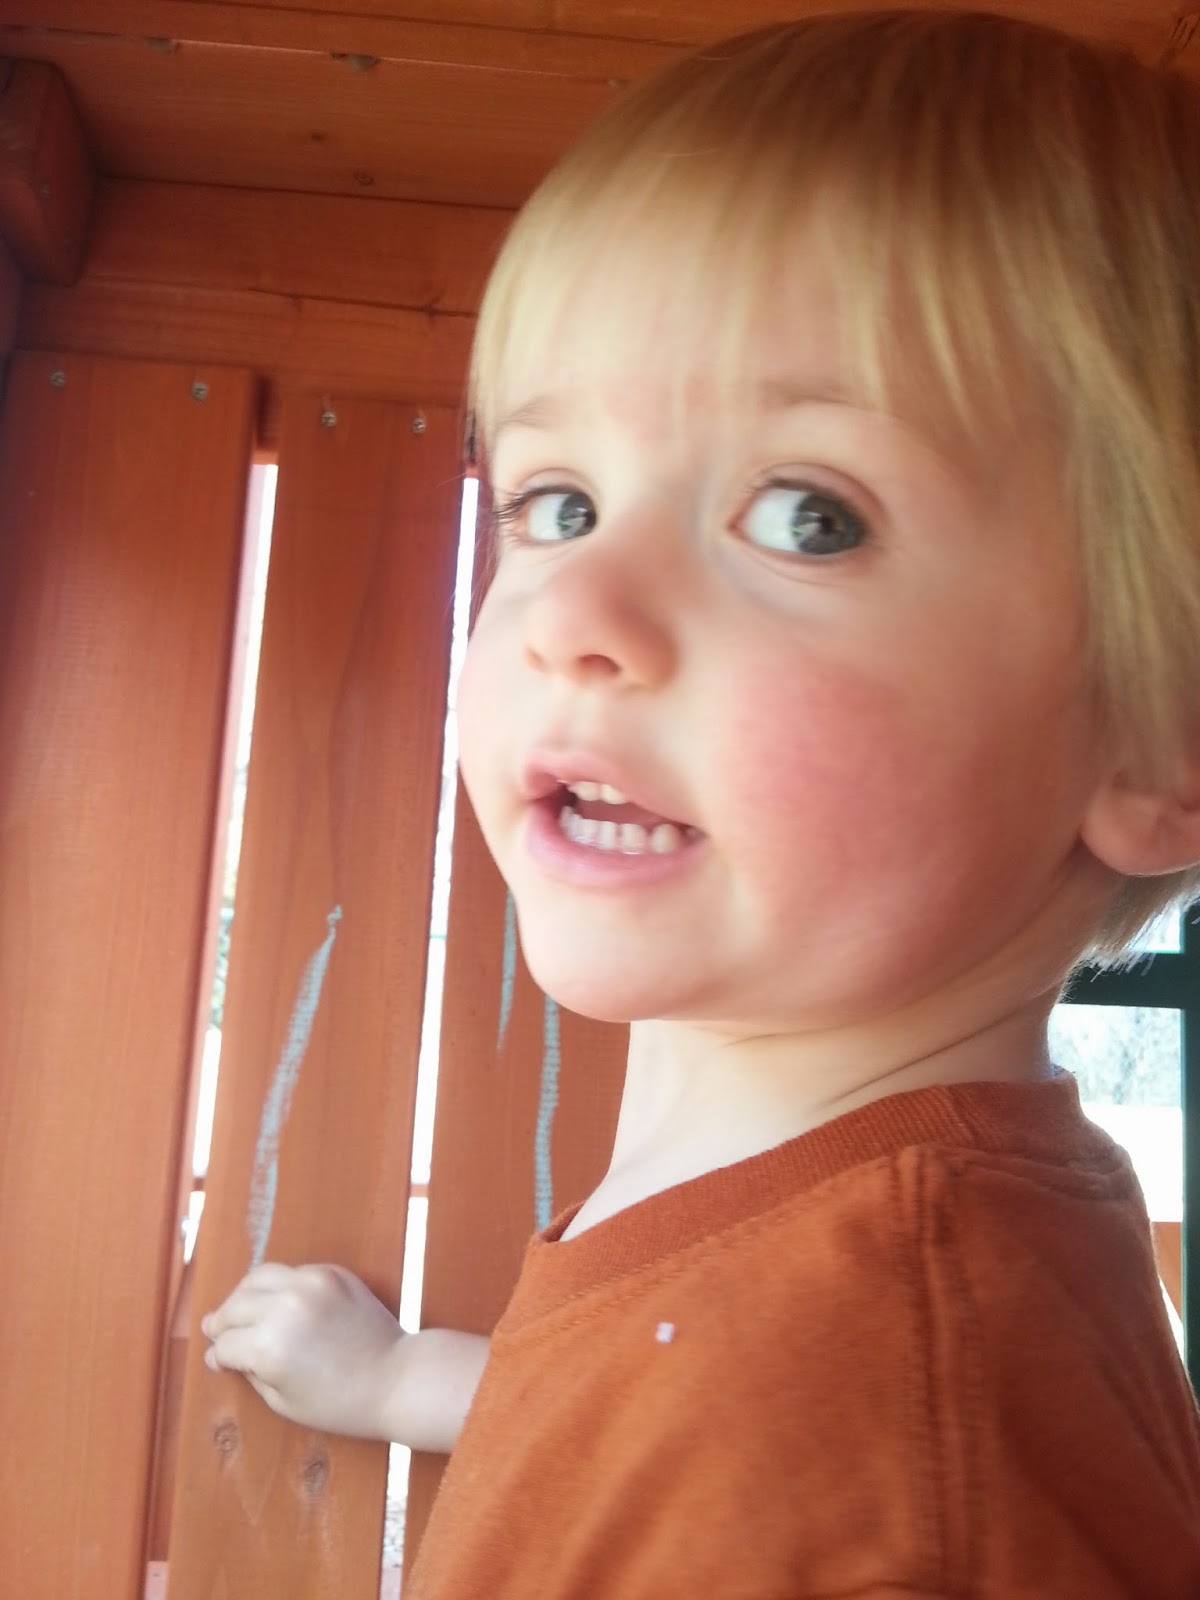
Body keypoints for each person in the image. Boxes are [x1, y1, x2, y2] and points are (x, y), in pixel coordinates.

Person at [201, 10, 1200, 1594]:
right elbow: (674, 1407)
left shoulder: (893, 1443)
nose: (575, 610)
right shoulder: (836, 1291)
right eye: (558, 502)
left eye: (808, 518)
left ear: (1158, 734)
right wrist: (406, 1385)